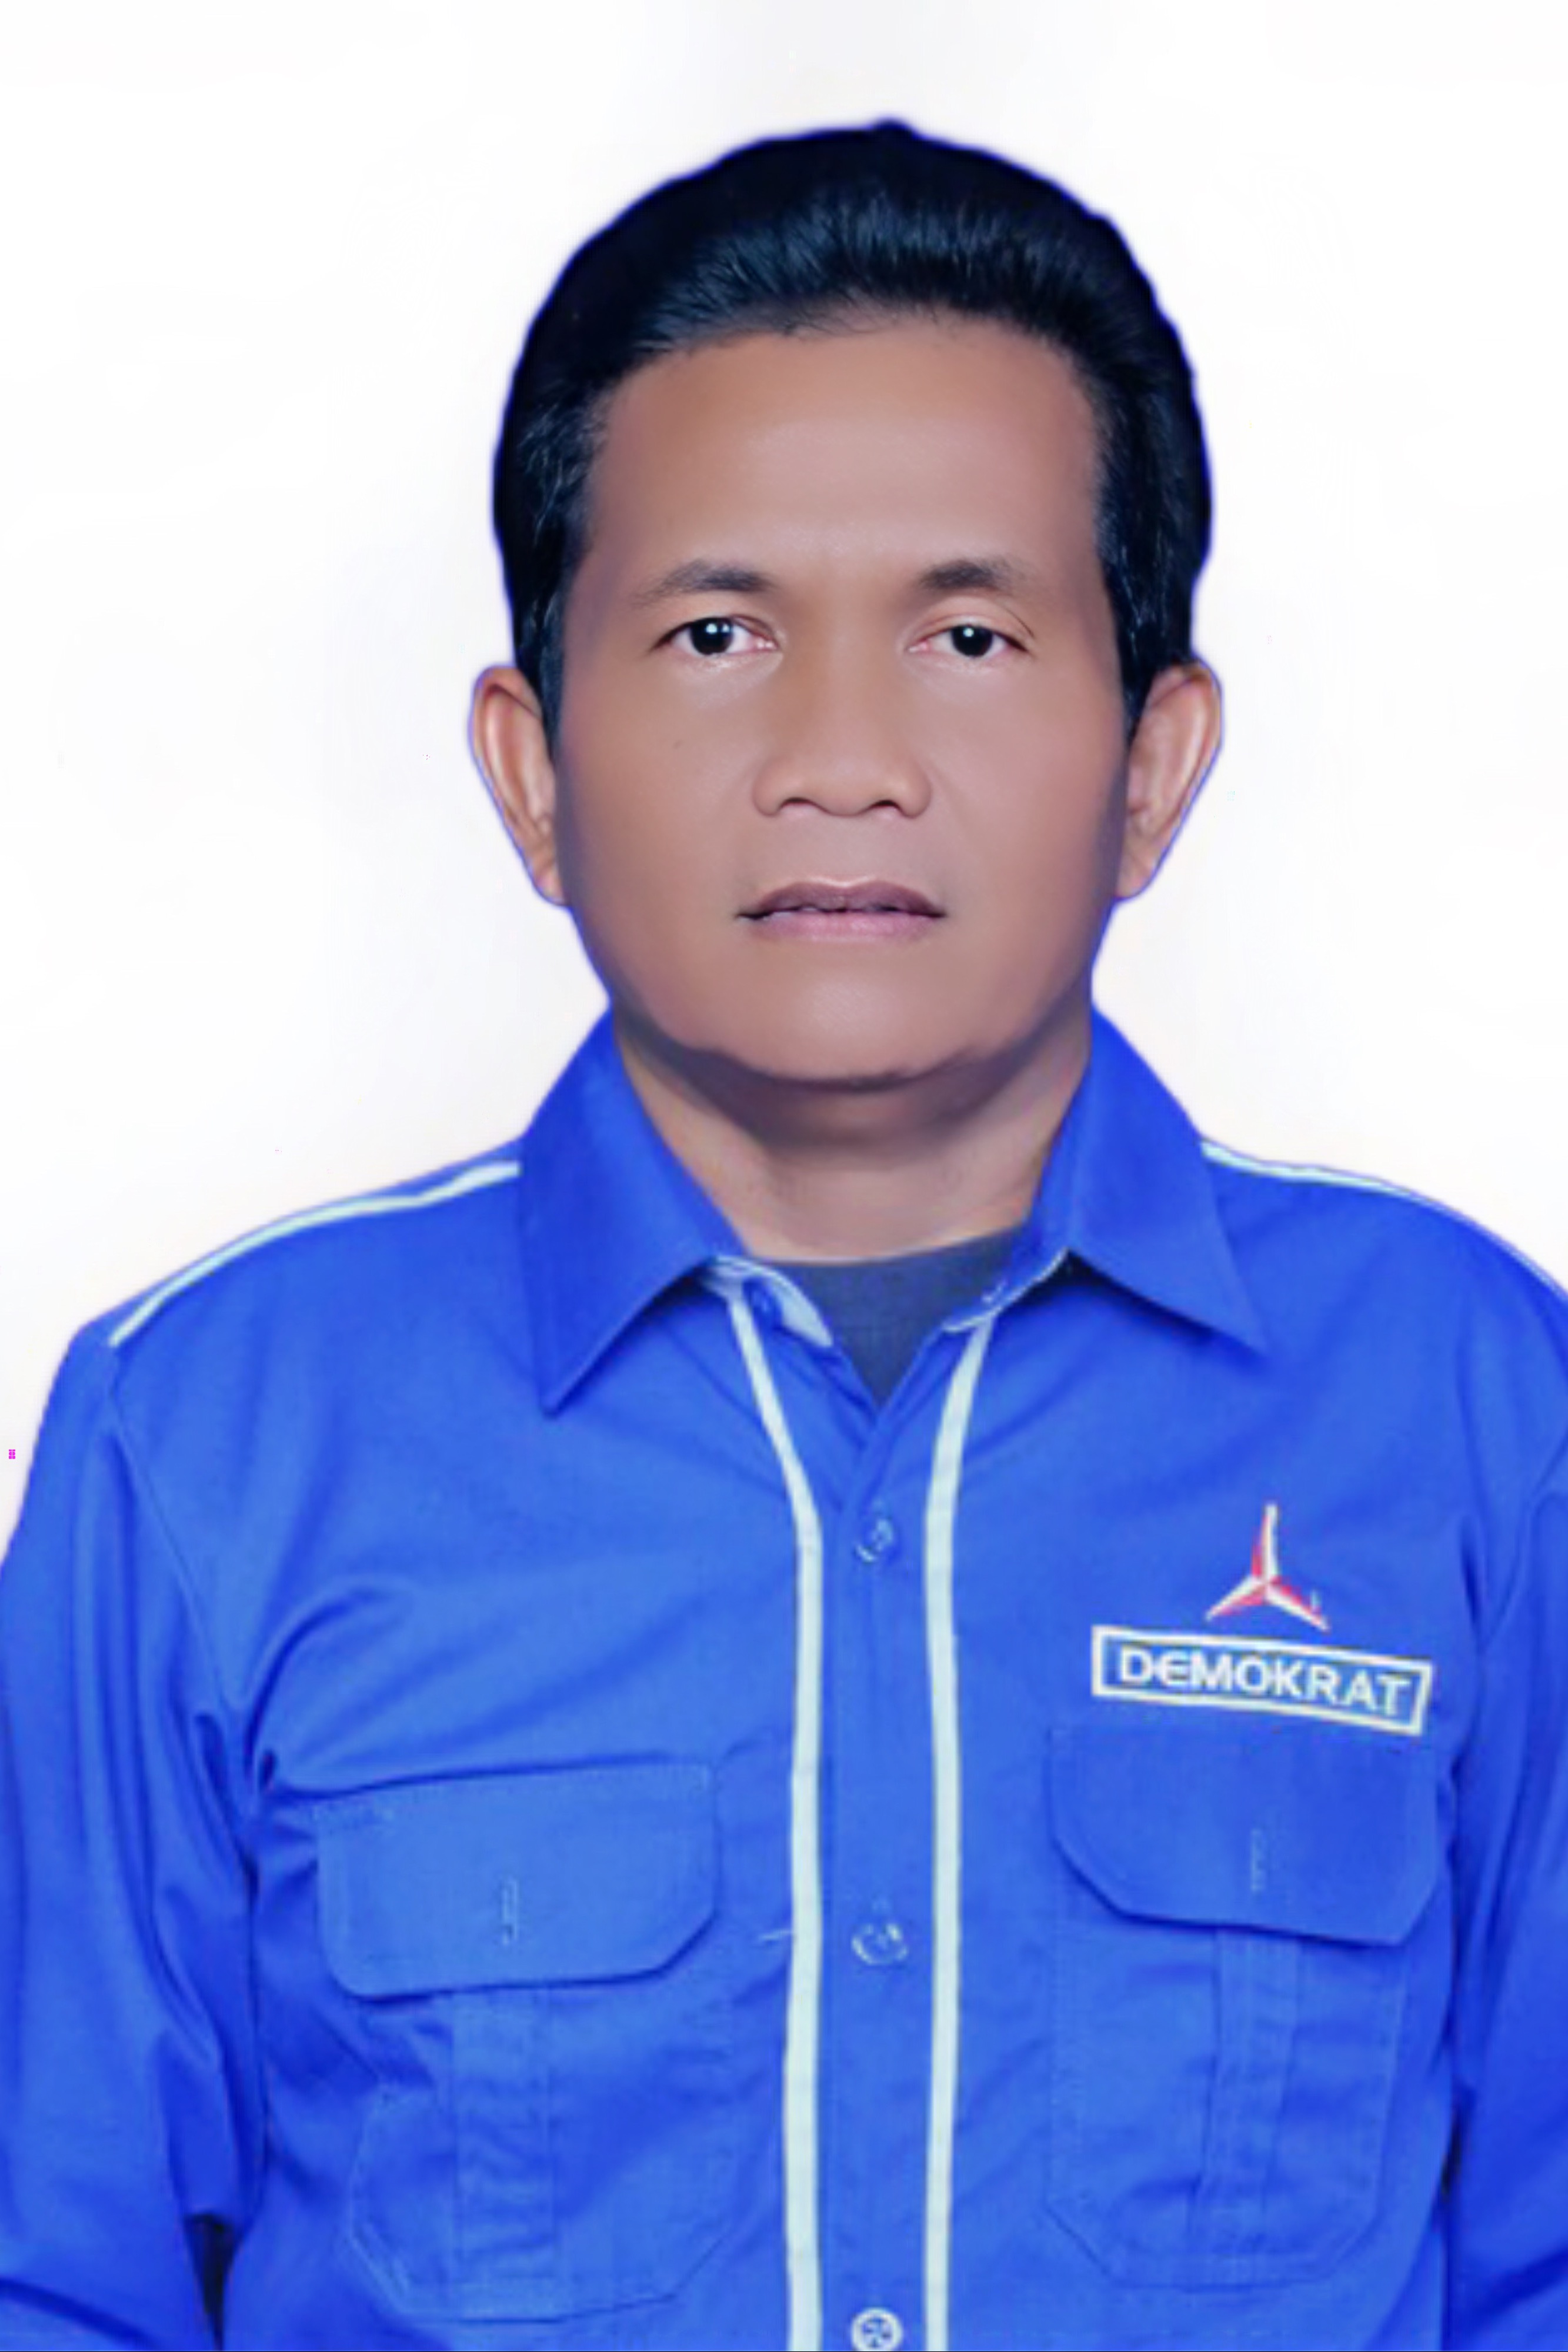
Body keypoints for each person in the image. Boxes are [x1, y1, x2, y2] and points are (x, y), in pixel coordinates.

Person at [1, 118, 1564, 2352]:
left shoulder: (1474, 1405)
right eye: (717, 631)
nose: (844, 757)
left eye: (969, 632)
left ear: (1153, 762)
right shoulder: (204, 1441)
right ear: (532, 771)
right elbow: (56, 2281)